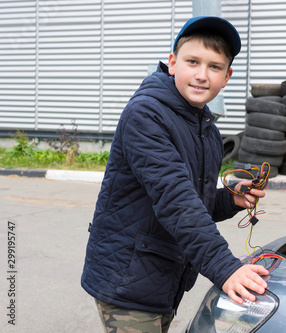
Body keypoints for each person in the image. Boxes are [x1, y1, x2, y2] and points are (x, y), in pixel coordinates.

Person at [81, 16, 269, 332]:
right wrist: (225, 268)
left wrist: (230, 200)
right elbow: (176, 200)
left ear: (227, 76)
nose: (201, 75)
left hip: (160, 276)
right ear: (172, 63)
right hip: (128, 280)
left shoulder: (205, 128)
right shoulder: (146, 115)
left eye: (214, 66)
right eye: (192, 61)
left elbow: (197, 202)